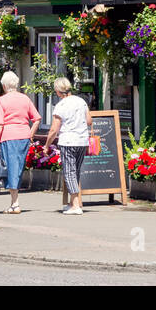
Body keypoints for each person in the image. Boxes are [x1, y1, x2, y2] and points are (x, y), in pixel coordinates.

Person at [0, 70, 41, 214]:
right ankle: (14, 202)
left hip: (9, 137)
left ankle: (15, 203)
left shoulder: (1, 100)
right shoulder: (25, 98)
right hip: (24, 136)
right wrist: (30, 134)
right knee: (17, 168)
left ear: (5, 85)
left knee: (12, 169)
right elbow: (37, 118)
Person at [42, 78, 92, 215]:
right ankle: (72, 203)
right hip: (82, 140)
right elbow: (89, 121)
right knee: (75, 172)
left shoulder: (61, 106)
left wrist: (47, 145)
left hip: (68, 141)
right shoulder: (81, 101)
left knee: (69, 172)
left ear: (58, 92)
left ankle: (76, 205)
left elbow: (54, 129)